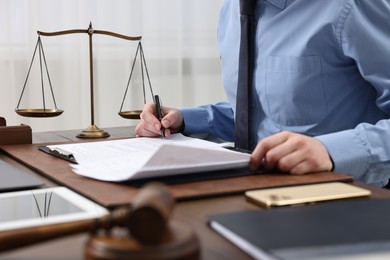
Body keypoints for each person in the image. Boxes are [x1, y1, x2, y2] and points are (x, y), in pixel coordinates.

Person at [136, 0, 390, 187]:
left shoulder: (353, 6)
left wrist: (331, 151)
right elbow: (265, 115)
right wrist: (183, 120)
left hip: (349, 197)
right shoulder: (230, 11)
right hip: (257, 192)